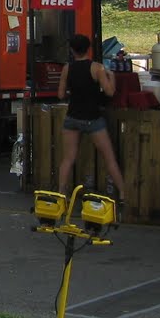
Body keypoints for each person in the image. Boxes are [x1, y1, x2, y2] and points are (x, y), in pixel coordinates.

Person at [56, 34, 126, 210]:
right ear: (88, 49)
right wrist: (113, 77)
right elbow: (110, 92)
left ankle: (61, 194)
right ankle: (124, 194)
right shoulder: (97, 68)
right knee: (109, 158)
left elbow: (60, 94)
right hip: (92, 118)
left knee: (68, 159)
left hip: (72, 117)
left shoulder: (67, 68)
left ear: (72, 50)